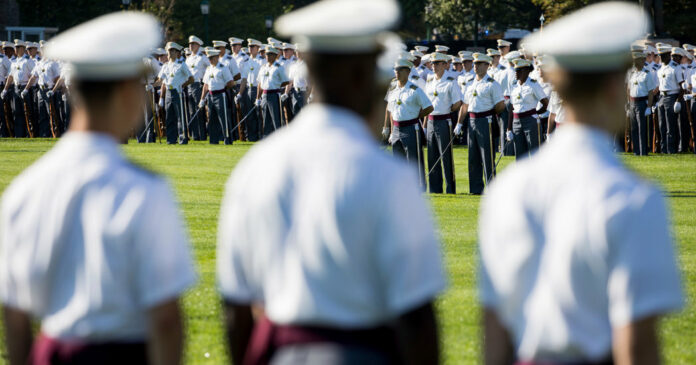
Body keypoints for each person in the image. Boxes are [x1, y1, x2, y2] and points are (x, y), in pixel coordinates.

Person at [217, 0, 445, 364]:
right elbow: (417, 315)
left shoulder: (255, 166)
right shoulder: (387, 175)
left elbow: (235, 308)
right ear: (362, 74)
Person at [478, 3, 683, 364]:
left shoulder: (507, 187)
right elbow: (637, 344)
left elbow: (494, 330)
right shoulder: (632, 196)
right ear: (611, 87)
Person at [0, 12, 197, 365]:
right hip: (122, 353)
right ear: (124, 91)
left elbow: (14, 315)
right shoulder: (143, 190)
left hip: (53, 349)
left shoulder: (24, 188)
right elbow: (166, 317)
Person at [453, 53, 505, 195]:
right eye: (475, 64)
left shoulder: (492, 84)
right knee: (473, 157)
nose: (475, 66)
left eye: (479, 64)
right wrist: (459, 123)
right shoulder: (471, 83)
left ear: (487, 65)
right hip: (471, 121)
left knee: (487, 157)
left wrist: (488, 113)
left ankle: (491, 188)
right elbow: (465, 105)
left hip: (485, 120)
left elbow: (501, 105)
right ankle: (475, 190)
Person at [384, 58, 433, 189]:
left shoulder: (415, 90)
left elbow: (429, 107)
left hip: (411, 127)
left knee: (414, 161)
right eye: (396, 70)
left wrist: (416, 116)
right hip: (397, 129)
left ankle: (419, 187)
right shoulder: (393, 89)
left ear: (407, 71)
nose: (397, 72)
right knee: (397, 161)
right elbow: (391, 110)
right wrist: (390, 129)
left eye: (400, 70)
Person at [424, 51, 461, 194]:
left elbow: (457, 103)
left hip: (444, 120)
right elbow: (428, 104)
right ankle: (435, 189)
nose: (433, 66)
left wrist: (446, 110)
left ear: (444, 65)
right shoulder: (429, 80)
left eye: (437, 63)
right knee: (432, 157)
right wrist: (425, 124)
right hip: (431, 120)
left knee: (446, 157)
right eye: (432, 63)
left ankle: (450, 189)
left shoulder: (450, 81)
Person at [506, 58, 549, 160]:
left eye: (519, 70)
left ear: (526, 71)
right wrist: (508, 128)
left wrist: (536, 113)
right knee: (520, 155)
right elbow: (512, 107)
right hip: (516, 122)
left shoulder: (533, 84)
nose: (516, 73)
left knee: (535, 152)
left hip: (531, 121)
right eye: (516, 70)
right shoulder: (513, 86)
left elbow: (545, 103)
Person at [157, 41, 194, 144]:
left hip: (178, 92)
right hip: (168, 92)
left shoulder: (181, 65)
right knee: (169, 117)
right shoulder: (165, 66)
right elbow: (160, 80)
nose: (169, 53)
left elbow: (191, 78)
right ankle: (171, 139)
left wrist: (183, 85)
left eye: (172, 51)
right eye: (169, 51)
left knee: (180, 117)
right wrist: (152, 85)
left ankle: (183, 138)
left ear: (177, 53)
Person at [199, 47, 234, 144]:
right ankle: (213, 140)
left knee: (224, 118)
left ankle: (227, 139)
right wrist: (202, 99)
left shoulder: (223, 68)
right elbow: (205, 85)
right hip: (210, 96)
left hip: (220, 95)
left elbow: (231, 83)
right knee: (212, 119)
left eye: (211, 58)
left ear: (216, 57)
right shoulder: (209, 68)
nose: (209, 60)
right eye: (208, 58)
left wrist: (223, 88)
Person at [1, 40, 35, 137]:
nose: (15, 49)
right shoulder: (14, 62)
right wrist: (5, 89)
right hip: (16, 88)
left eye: (17, 47)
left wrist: (27, 89)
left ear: (22, 49)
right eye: (15, 47)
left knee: (27, 113)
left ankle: (29, 134)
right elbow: (10, 76)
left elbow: (34, 76)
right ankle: (19, 135)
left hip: (25, 88)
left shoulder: (28, 61)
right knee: (16, 113)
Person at [627, 49, 657, 156]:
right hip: (632, 103)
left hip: (642, 103)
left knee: (642, 128)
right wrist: (628, 104)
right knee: (634, 128)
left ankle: (643, 151)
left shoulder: (646, 74)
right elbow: (629, 89)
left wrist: (649, 106)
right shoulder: (632, 73)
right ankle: (636, 151)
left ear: (642, 60)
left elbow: (650, 92)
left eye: (636, 60)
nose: (634, 62)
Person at [255, 45, 288, 137]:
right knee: (265, 119)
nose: (267, 56)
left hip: (274, 94)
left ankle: (279, 138)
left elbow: (286, 81)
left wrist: (276, 85)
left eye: (270, 54)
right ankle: (266, 137)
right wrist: (257, 98)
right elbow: (260, 84)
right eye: (266, 54)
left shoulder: (279, 67)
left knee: (276, 118)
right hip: (264, 95)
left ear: (275, 55)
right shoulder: (263, 67)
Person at [656, 44, 683, 154]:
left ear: (668, 55)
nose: (661, 58)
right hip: (662, 96)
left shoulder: (675, 67)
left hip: (672, 96)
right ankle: (664, 149)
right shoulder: (660, 68)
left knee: (670, 126)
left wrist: (677, 101)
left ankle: (671, 149)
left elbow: (682, 86)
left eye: (663, 55)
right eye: (660, 55)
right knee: (662, 125)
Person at [185, 35, 209, 141]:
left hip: (198, 85)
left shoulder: (202, 57)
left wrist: (206, 81)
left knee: (199, 111)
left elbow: (210, 68)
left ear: (198, 45)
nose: (191, 46)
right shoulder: (188, 58)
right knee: (191, 112)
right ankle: (195, 136)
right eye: (190, 44)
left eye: (193, 44)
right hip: (189, 85)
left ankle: (202, 135)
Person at [245, 38, 264, 141]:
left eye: (252, 47)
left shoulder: (262, 61)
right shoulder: (247, 61)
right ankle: (252, 137)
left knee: (259, 115)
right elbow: (244, 78)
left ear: (257, 48)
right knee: (250, 115)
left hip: (258, 88)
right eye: (249, 46)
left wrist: (259, 96)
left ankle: (261, 136)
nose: (250, 48)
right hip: (249, 89)